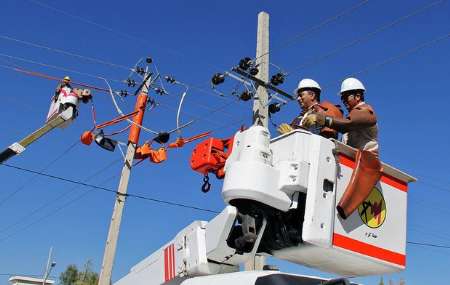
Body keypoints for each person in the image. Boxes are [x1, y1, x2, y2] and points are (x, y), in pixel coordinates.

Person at [303, 77, 381, 219]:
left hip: (367, 163)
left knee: (346, 204)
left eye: (347, 97)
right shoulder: (351, 115)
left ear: (358, 96)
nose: (344, 101)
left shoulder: (366, 111)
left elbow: (348, 124)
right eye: (343, 98)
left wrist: (323, 119)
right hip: (353, 164)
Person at [277, 78, 343, 139]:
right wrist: (289, 135)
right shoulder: (297, 120)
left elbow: (330, 132)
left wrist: (319, 118)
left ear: (312, 95)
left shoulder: (326, 107)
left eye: (301, 95)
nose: (298, 99)